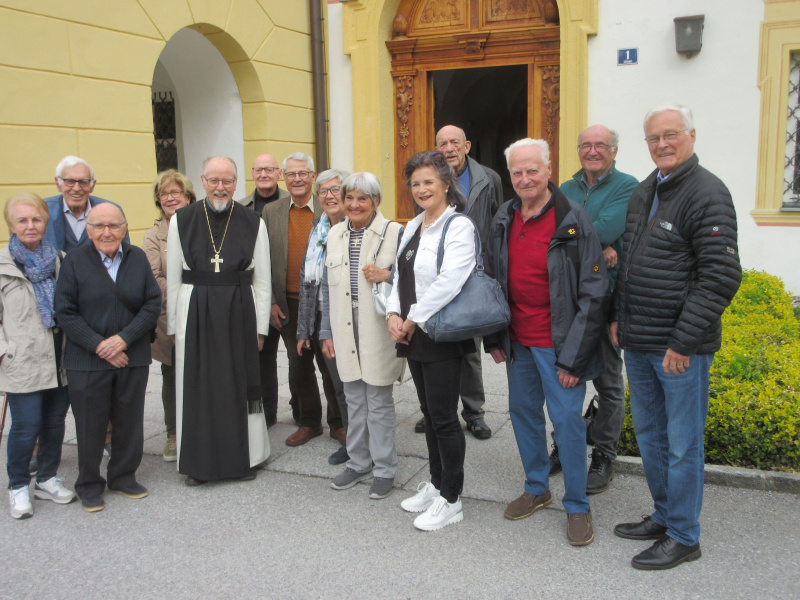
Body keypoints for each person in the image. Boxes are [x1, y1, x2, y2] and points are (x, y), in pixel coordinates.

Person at [611, 104, 741, 570]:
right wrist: (617, 317)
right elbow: (629, 262)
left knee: (684, 443)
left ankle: (685, 535)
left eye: (671, 135)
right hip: (640, 341)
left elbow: (721, 275)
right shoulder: (647, 188)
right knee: (650, 435)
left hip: (678, 349)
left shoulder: (708, 192)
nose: (662, 144)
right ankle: (665, 515)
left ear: (690, 135)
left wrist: (684, 341)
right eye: (653, 138)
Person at [483, 138, 609, 547]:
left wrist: (573, 360)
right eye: (517, 172)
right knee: (523, 414)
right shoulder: (505, 214)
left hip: (559, 346)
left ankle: (576, 506)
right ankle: (537, 487)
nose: (525, 178)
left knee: (569, 423)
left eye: (532, 170)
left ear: (548, 169)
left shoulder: (572, 218)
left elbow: (594, 292)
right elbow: (492, 279)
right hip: (518, 342)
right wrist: (494, 337)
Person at [167, 156, 272, 486]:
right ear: (202, 181)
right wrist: (174, 325)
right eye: (214, 180)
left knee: (238, 383)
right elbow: (173, 277)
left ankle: (247, 456)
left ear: (236, 183)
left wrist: (260, 327)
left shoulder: (254, 221)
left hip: (239, 310)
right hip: (194, 309)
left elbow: (264, 279)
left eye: (227, 181)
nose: (220, 187)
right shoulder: (181, 220)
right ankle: (198, 462)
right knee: (197, 385)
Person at [387, 150, 477, 530]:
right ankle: (437, 484)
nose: (421, 189)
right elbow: (398, 276)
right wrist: (392, 312)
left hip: (440, 334)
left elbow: (450, 282)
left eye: (428, 181)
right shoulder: (412, 226)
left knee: (444, 418)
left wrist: (411, 318)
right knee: (429, 415)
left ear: (445, 184)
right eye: (415, 183)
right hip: (412, 333)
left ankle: (452, 498)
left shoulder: (458, 227)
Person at [54, 203, 160, 512]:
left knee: (129, 421)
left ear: (125, 228)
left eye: (114, 226)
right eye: (99, 226)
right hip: (87, 359)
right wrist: (101, 346)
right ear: (88, 231)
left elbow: (152, 304)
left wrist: (124, 340)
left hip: (132, 355)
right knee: (90, 425)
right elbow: (65, 311)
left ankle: (123, 477)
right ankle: (88, 484)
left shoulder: (137, 258)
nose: (107, 232)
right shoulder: (74, 261)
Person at [405, 125, 503, 440]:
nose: (449, 147)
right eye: (442, 143)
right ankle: (433, 409)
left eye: (454, 142)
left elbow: (498, 221)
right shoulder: (425, 181)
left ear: (467, 145)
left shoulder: (488, 178)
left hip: (470, 271)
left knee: (467, 347)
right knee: (427, 347)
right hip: (432, 275)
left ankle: (474, 413)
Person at [556, 125, 639, 493]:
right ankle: (565, 444)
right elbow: (552, 233)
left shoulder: (627, 186)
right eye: (586, 144)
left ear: (614, 151)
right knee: (564, 380)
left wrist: (590, 240)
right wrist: (594, 247)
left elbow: (606, 228)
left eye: (600, 145)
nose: (592, 151)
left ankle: (604, 454)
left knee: (607, 382)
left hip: (606, 299)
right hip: (567, 299)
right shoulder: (566, 188)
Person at [321, 172, 403, 500]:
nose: (355, 204)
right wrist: (325, 331)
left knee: (379, 402)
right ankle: (358, 462)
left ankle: (385, 469)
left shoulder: (394, 232)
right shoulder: (335, 233)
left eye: (363, 198)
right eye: (350, 197)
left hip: (377, 327)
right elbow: (328, 289)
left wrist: (389, 274)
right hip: (343, 326)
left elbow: (415, 277)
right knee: (353, 399)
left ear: (375, 202)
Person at [2, 194, 76, 519]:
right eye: (22, 220)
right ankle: (18, 485)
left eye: (36, 219)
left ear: (46, 222)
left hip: (60, 359)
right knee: (25, 427)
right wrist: (6, 352)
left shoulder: (60, 260)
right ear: (11, 224)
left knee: (54, 423)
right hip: (23, 362)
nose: (30, 225)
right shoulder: (3, 266)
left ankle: (46, 478)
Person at [262, 153, 344, 447]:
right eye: (291, 174)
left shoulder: (330, 205)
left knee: (330, 363)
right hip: (289, 303)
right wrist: (271, 300)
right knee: (299, 366)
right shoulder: (272, 211)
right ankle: (309, 421)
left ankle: (339, 422)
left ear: (313, 176)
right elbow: (263, 260)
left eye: (303, 173)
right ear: (283, 178)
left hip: (325, 302)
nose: (297, 179)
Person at [296, 169, 351, 465]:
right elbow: (306, 280)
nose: (329, 196)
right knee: (336, 383)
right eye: (324, 191)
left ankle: (363, 443)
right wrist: (304, 330)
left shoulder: (354, 228)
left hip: (347, 321)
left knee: (352, 385)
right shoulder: (318, 230)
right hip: (321, 320)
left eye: (335, 189)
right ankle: (353, 441)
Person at [142, 170, 196, 462]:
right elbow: (153, 278)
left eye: (177, 192)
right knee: (172, 376)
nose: (171, 198)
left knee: (204, 373)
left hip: (204, 317)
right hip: (170, 319)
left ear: (188, 197)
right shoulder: (153, 235)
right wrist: (192, 295)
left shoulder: (201, 226)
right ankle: (174, 435)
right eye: (165, 194)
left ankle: (203, 426)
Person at [241, 153, 291, 427]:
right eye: (259, 170)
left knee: (298, 359)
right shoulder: (241, 207)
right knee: (264, 357)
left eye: (269, 170)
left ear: (278, 174)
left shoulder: (290, 202)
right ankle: (268, 411)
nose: (263, 174)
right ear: (252, 173)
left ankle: (302, 408)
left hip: (289, 291)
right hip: (256, 294)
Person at [44, 155, 128, 252]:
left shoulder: (112, 211)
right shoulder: (44, 211)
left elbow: (125, 255)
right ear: (58, 184)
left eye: (83, 182)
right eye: (70, 181)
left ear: (92, 186)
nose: (76, 188)